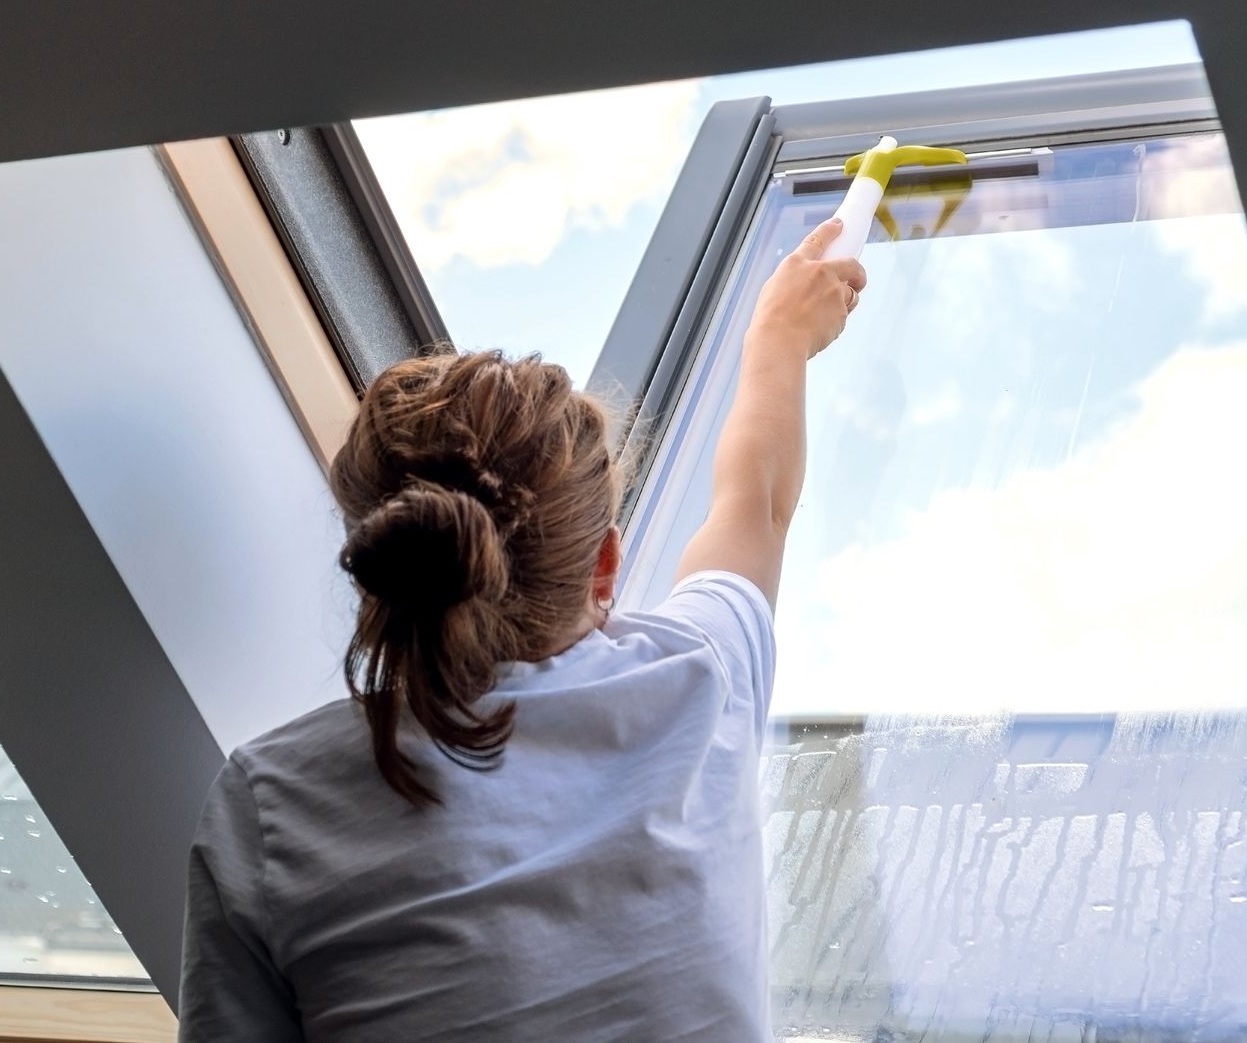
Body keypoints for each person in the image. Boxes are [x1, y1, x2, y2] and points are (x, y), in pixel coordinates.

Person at [178, 216, 867, 1041]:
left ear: (380, 551)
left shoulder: (270, 801)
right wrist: (780, 336)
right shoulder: (698, 677)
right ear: (605, 566)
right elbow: (757, 501)